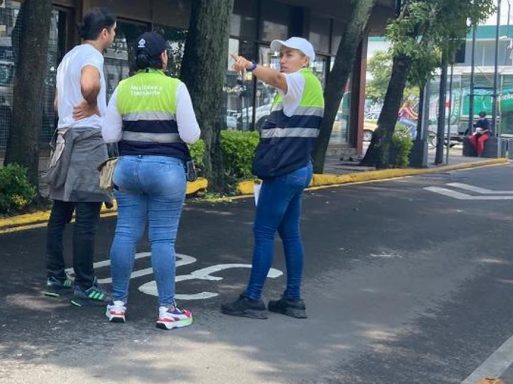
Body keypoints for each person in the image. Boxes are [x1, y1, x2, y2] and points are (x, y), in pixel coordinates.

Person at [101, 32, 201, 330]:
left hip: (128, 169)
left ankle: (117, 305)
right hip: (167, 171)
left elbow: (109, 135)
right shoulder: (175, 87)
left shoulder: (123, 87)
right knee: (162, 239)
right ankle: (167, 310)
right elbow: (191, 135)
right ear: (164, 58)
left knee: (126, 233)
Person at [221, 37, 323, 320]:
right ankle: (292, 299)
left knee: (264, 232)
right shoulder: (306, 87)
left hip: (283, 171)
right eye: (281, 54)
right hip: (299, 168)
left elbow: (276, 78)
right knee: (290, 234)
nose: (283, 59)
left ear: (305, 60)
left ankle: (253, 298)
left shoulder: (301, 80)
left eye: (290, 54)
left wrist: (251, 65)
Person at [42, 7, 116, 307]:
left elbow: (58, 101)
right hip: (88, 141)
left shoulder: (67, 58)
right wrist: (93, 104)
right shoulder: (92, 57)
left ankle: (55, 278)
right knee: (87, 214)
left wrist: (79, 107)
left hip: (64, 139)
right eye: (114, 31)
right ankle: (85, 284)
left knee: (60, 212)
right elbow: (89, 85)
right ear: (104, 33)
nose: (114, 36)